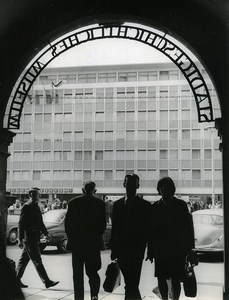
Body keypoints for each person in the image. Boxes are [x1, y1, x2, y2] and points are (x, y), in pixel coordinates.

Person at [149, 177, 195, 300]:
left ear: (172, 189)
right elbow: (151, 231)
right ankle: (164, 298)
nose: (165, 189)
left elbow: (188, 229)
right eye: (162, 187)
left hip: (177, 249)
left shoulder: (181, 205)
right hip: (161, 249)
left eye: (168, 187)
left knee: (175, 278)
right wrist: (150, 250)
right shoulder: (154, 207)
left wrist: (190, 249)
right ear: (159, 189)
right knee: (161, 278)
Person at [110, 173, 151, 300]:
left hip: (137, 249)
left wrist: (150, 249)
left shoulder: (145, 205)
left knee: (132, 282)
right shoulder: (117, 205)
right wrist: (113, 249)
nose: (131, 186)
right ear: (124, 184)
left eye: (134, 184)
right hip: (121, 249)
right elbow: (115, 228)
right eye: (129, 183)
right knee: (131, 283)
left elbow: (149, 229)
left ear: (138, 186)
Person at [65, 181, 106, 300]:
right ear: (95, 191)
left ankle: (79, 298)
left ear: (82, 190)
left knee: (77, 275)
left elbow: (68, 225)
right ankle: (94, 295)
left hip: (77, 244)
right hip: (93, 245)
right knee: (93, 272)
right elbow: (102, 226)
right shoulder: (100, 203)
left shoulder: (73, 202)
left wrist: (71, 239)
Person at [16, 187, 59, 289]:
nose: (39, 196)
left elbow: (40, 223)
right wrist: (20, 238)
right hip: (29, 237)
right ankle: (47, 282)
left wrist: (46, 233)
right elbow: (21, 224)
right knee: (37, 260)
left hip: (34, 237)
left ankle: (15, 280)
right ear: (31, 195)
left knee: (23, 260)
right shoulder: (27, 206)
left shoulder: (36, 206)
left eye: (39, 194)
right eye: (37, 194)